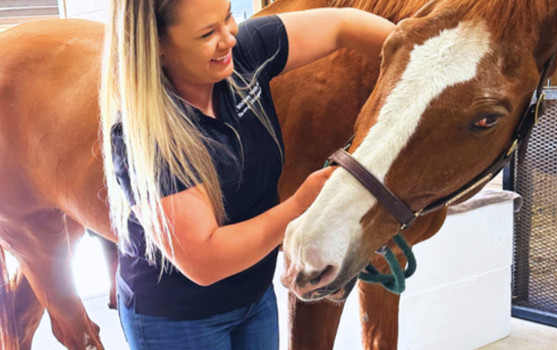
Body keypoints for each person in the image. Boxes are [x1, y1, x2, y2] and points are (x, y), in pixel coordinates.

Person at [99, 0, 395, 348]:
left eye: (227, 17)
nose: (229, 39)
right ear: (157, 48)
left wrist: (421, 55)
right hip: (179, 318)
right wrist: (300, 204)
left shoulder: (242, 57)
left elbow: (341, 25)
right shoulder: (145, 137)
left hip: (254, 296)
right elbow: (205, 261)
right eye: (207, 33)